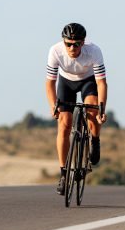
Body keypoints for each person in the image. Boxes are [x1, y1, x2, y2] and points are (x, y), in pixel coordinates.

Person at [45, 23, 108, 195]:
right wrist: (53, 105)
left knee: (92, 111)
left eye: (77, 44)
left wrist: (102, 109)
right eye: (68, 44)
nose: (72, 47)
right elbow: (50, 82)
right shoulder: (55, 51)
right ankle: (64, 174)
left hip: (88, 81)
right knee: (64, 123)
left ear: (83, 42)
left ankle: (94, 139)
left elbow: (101, 83)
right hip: (66, 83)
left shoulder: (94, 51)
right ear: (63, 42)